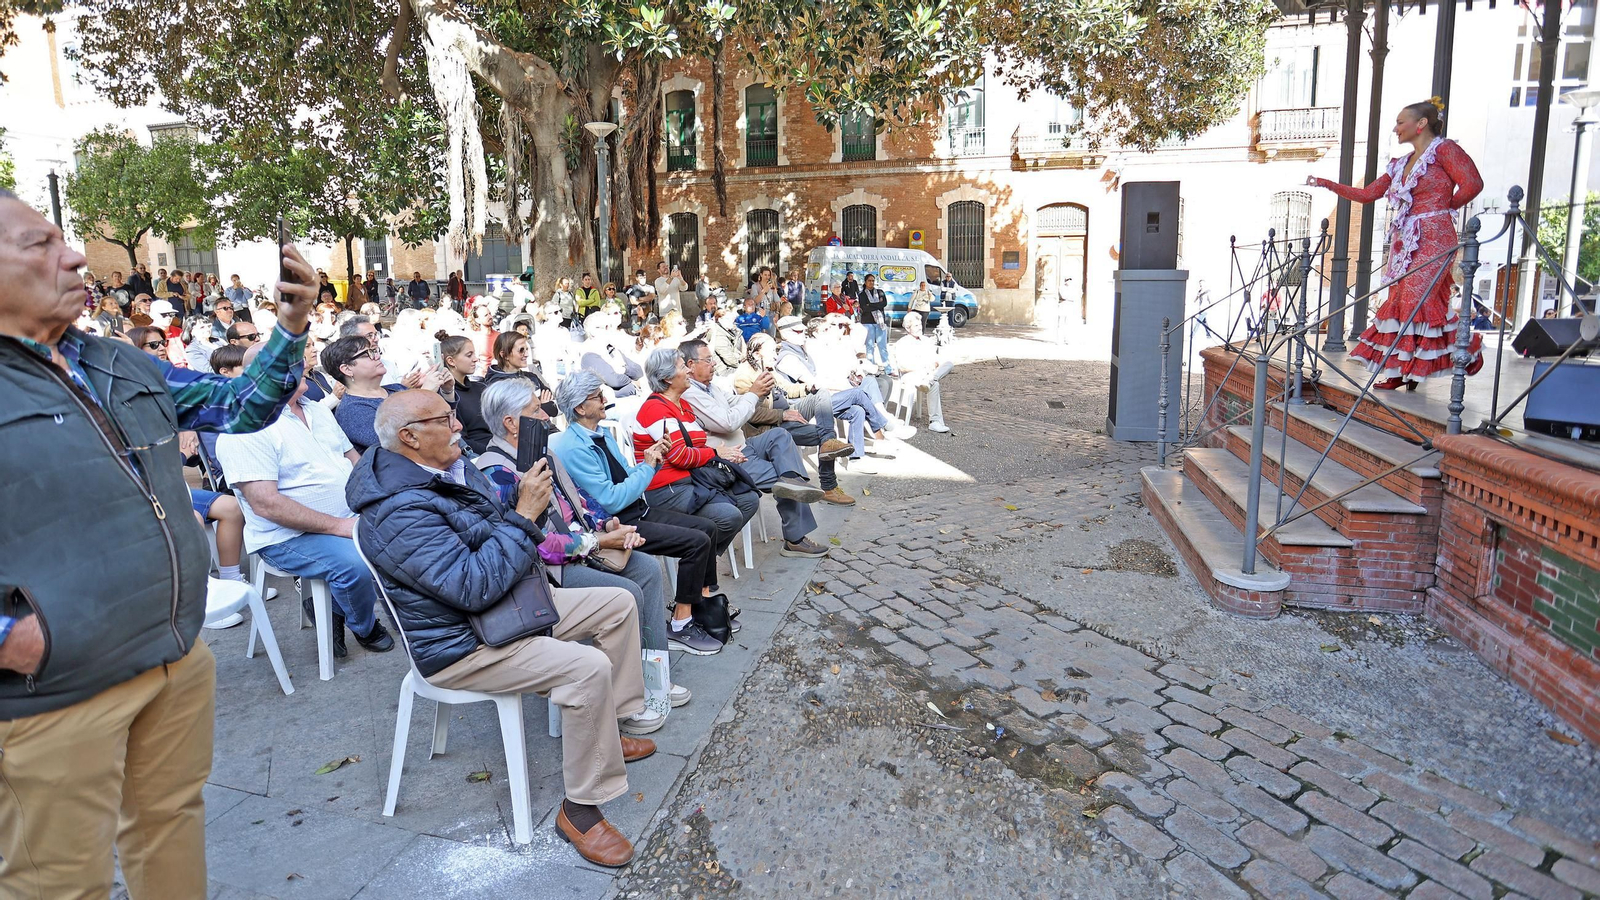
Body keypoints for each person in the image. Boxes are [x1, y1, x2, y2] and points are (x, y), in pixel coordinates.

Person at [0, 187, 319, 899]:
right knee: (57, 884)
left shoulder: (115, 361)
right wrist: (11, 636)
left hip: (174, 657)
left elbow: (238, 406)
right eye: (39, 243)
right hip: (55, 691)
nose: (75, 253)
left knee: (170, 825)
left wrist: (291, 326)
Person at [348, 391, 655, 866]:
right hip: (462, 644)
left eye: (452, 414)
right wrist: (526, 514)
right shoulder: (396, 511)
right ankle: (581, 810)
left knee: (616, 602)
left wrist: (520, 501)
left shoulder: (450, 468)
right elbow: (471, 586)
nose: (458, 424)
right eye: (444, 419)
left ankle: (607, 733)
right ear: (409, 437)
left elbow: (489, 533)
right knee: (585, 666)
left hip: (505, 609)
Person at [474, 379, 691, 724]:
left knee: (647, 569)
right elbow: (536, 544)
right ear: (510, 423)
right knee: (626, 591)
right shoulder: (496, 472)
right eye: (534, 411)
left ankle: (654, 679)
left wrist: (608, 526)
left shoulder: (542, 454)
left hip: (580, 547)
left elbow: (582, 503)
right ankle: (626, 700)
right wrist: (597, 542)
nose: (545, 416)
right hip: (541, 573)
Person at [215, 340, 395, 659]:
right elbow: (266, 505)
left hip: (344, 515)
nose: (299, 370)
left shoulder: (314, 409)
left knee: (403, 531)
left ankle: (331, 607)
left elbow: (353, 458)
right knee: (356, 562)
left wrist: (376, 501)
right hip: (285, 535)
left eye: (299, 363)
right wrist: (340, 526)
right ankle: (365, 627)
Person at [1309, 97, 1483, 390]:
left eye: (1401, 122)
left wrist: (1442, 209)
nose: (1396, 128)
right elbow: (1368, 194)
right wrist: (1327, 183)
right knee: (1400, 300)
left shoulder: (1445, 150)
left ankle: (1459, 353)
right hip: (1405, 238)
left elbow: (1473, 183)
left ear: (1421, 124)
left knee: (1420, 299)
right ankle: (1402, 370)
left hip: (1434, 235)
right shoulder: (1400, 163)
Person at [550, 372, 731, 649]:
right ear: (580, 408)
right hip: (616, 522)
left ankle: (703, 607)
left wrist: (652, 460)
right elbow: (611, 500)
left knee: (707, 527)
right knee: (696, 542)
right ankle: (681, 624)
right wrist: (647, 468)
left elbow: (625, 477)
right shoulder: (574, 447)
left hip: (635, 509)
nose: (604, 399)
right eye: (597, 396)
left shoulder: (598, 435)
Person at [679, 340, 833, 557]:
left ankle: (793, 480)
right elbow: (727, 422)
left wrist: (757, 393)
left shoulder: (711, 387)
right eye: (708, 360)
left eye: (713, 359)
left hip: (745, 444)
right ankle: (795, 538)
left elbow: (739, 403)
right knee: (783, 479)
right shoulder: (690, 394)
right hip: (728, 458)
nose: (713, 364)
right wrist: (753, 393)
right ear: (691, 365)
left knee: (781, 436)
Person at [631, 348, 761, 563]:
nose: (690, 371)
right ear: (667, 378)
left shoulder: (683, 405)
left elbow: (695, 447)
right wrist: (715, 453)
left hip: (692, 480)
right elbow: (680, 456)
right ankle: (697, 559)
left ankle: (701, 557)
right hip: (667, 490)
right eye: (683, 367)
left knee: (749, 499)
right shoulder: (655, 409)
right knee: (729, 516)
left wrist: (723, 454)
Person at [734, 333, 856, 505]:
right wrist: (781, 415)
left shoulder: (767, 367)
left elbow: (785, 389)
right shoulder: (744, 376)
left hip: (790, 412)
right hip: (770, 427)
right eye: (771, 352)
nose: (776, 356)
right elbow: (750, 413)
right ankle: (829, 486)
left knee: (821, 394)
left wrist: (807, 387)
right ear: (756, 353)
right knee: (826, 434)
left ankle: (828, 442)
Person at [773, 316, 909, 460]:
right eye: (798, 332)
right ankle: (885, 425)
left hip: (819, 397)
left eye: (803, 331)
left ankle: (856, 458)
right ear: (785, 334)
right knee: (857, 394)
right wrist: (843, 387)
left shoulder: (801, 350)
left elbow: (858, 335)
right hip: (802, 404)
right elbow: (814, 383)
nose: (803, 335)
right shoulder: (788, 357)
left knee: (858, 410)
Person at [891, 313, 953, 432]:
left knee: (948, 364)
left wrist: (932, 365)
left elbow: (935, 360)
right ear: (908, 328)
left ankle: (929, 381)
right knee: (935, 384)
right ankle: (935, 421)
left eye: (920, 324)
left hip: (927, 374)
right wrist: (921, 368)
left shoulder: (926, 340)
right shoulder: (902, 343)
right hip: (911, 374)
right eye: (916, 325)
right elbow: (902, 366)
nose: (919, 327)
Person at [581, 309, 645, 397]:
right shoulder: (589, 354)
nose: (610, 330)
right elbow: (615, 381)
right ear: (593, 331)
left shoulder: (611, 348)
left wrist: (624, 370)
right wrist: (633, 383)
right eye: (607, 327)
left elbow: (638, 371)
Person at [858, 273, 891, 372]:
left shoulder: (880, 292)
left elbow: (884, 304)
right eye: (869, 280)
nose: (871, 282)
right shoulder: (862, 294)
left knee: (883, 346)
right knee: (870, 346)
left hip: (879, 322)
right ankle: (870, 368)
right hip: (868, 322)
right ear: (865, 282)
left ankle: (887, 368)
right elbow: (864, 307)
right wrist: (877, 305)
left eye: (873, 280)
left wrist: (871, 305)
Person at [708, 296, 747, 374]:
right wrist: (744, 365)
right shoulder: (718, 335)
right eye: (728, 319)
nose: (731, 322)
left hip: (732, 365)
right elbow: (729, 358)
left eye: (733, 319)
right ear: (720, 319)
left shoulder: (729, 330)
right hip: (723, 371)